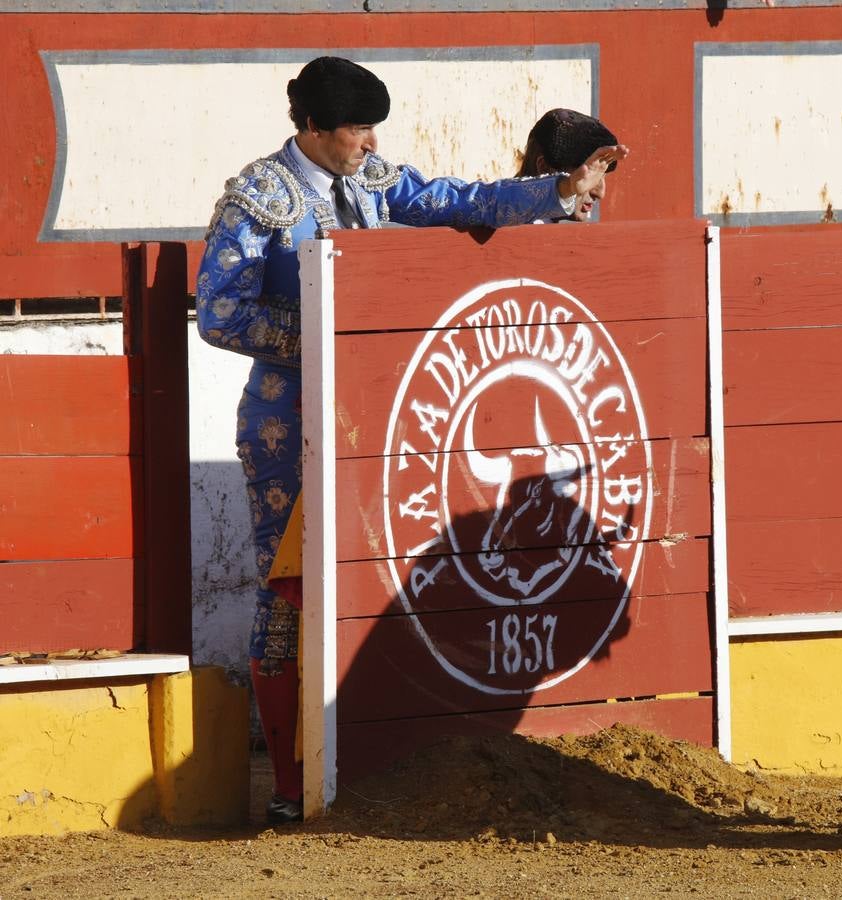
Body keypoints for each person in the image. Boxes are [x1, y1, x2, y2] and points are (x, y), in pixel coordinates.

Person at [195, 56, 627, 825]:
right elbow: (220, 315)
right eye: (357, 129)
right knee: (292, 589)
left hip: (370, 410)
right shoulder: (257, 198)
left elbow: (451, 199)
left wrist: (554, 193)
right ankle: (291, 786)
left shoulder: (372, 179)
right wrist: (326, 335)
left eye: (371, 130)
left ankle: (360, 760)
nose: (368, 143)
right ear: (315, 129)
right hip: (286, 418)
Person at [516, 108, 621, 221]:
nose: (600, 193)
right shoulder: (502, 217)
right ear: (545, 169)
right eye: (590, 173)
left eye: (602, 175)